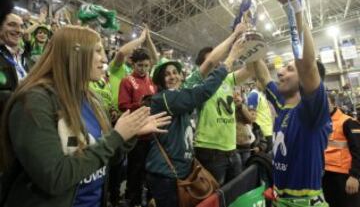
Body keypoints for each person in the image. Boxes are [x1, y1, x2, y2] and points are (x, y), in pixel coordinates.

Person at [0, 26, 171, 207]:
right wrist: (117, 136)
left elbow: (109, 159)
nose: (104, 59)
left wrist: (130, 134)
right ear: (74, 53)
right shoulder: (34, 101)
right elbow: (54, 178)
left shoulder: (93, 99)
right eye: (97, 51)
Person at [251, 0, 331, 206]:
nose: (280, 72)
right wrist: (247, 34)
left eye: (289, 69)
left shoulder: (311, 113)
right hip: (278, 199)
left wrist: (293, 7)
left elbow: (306, 65)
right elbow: (262, 73)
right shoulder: (282, 103)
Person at [145, 36, 246, 207]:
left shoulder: (180, 93)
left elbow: (208, 63)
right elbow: (203, 91)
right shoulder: (163, 98)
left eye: (175, 72)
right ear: (160, 81)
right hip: (165, 174)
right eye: (166, 74)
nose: (172, 77)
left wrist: (235, 35)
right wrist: (230, 59)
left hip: (181, 172)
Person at [118, 48, 157, 207]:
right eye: (140, 65)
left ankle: (149, 201)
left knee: (151, 172)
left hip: (152, 134)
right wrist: (140, 104)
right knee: (135, 172)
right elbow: (122, 106)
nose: (143, 69)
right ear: (133, 64)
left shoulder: (152, 81)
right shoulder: (127, 81)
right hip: (136, 134)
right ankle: (133, 201)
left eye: (146, 65)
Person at [323, 93, 360, 207]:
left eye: (326, 103)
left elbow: (358, 150)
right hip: (325, 175)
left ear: (334, 104)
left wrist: (355, 176)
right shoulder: (321, 124)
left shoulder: (348, 122)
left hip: (344, 177)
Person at [0, 13, 26, 117]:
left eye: (21, 26)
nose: (19, 30)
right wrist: (20, 96)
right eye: (12, 24)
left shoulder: (25, 57)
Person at [247, 80, 274, 153]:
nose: (264, 84)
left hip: (268, 131)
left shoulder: (262, 94)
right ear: (256, 82)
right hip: (262, 134)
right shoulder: (254, 95)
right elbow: (251, 116)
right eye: (261, 81)